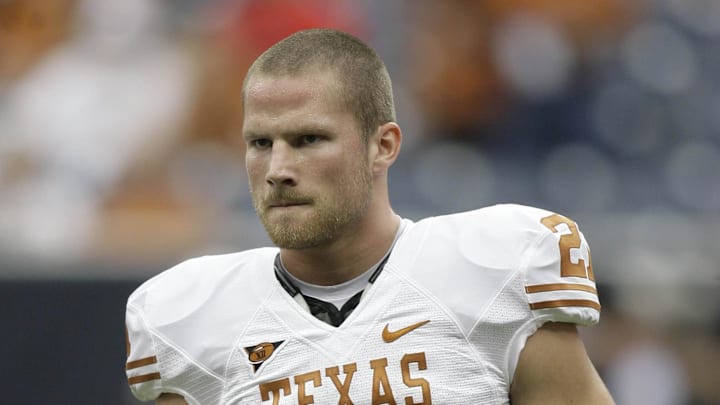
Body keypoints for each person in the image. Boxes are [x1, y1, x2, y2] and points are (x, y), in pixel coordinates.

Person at [124, 28, 615, 404]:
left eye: (307, 140)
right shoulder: (190, 321)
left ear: (382, 146)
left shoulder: (494, 271)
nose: (277, 169)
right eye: (260, 143)